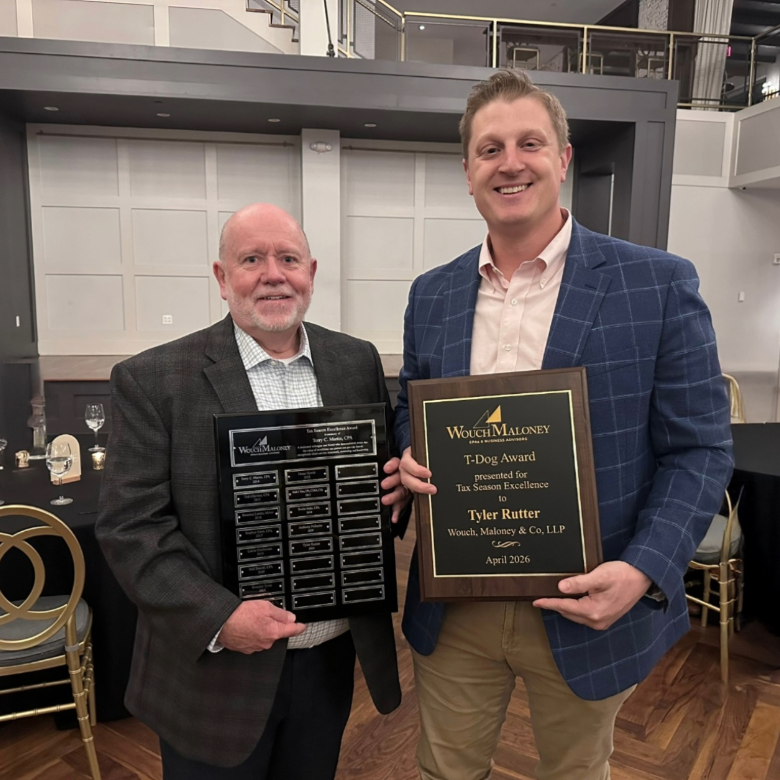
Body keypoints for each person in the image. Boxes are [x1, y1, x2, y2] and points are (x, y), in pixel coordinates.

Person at [394, 69, 733, 780]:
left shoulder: (658, 283)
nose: (510, 162)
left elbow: (698, 449)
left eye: (529, 143)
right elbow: (411, 404)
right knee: (443, 771)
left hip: (588, 601)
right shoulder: (432, 294)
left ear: (563, 157)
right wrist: (405, 450)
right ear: (467, 171)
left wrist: (643, 570)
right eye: (489, 149)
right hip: (456, 605)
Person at [96, 203, 410, 780]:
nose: (273, 273)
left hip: (329, 657)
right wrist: (220, 618)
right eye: (251, 259)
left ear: (310, 271)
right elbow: (130, 528)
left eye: (288, 258)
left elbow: (375, 485)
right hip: (212, 675)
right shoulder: (154, 378)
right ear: (222, 277)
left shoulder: (355, 360)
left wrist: (391, 495)